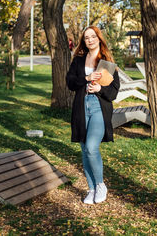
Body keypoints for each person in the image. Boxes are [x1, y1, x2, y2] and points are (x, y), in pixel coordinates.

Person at [66, 26, 120, 204]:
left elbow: (113, 93)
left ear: (99, 38)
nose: (90, 40)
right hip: (81, 107)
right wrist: (87, 79)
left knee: (91, 147)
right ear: (84, 41)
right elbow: (71, 83)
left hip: (98, 107)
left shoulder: (107, 62)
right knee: (84, 150)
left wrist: (99, 88)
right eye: (86, 37)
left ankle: (100, 185)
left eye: (93, 36)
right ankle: (91, 189)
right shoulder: (79, 61)